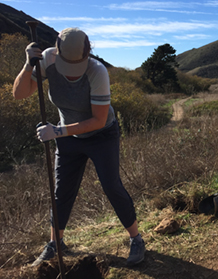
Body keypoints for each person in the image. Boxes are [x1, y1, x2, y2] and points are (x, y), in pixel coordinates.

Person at [13, 28, 145, 266]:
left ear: (88, 54)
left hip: (101, 135)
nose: (72, 75)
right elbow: (19, 94)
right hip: (68, 137)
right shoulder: (47, 60)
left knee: (111, 185)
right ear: (57, 51)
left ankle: (136, 239)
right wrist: (28, 65)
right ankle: (56, 244)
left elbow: (99, 120)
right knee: (61, 192)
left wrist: (58, 131)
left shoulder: (97, 71)